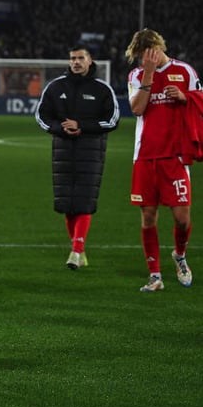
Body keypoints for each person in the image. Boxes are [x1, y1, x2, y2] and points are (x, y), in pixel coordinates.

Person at [125, 28, 199, 292]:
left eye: (146, 54)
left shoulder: (186, 72)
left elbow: (201, 100)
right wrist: (147, 74)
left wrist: (184, 97)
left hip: (175, 157)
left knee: (182, 218)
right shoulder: (136, 74)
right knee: (148, 217)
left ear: (158, 48)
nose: (143, 59)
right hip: (145, 157)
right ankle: (155, 275)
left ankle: (179, 255)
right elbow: (137, 109)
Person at [35, 44, 120, 269]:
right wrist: (60, 128)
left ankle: (76, 251)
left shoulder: (102, 89)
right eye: (72, 58)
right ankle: (78, 251)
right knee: (67, 204)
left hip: (91, 151)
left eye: (81, 58)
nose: (76, 62)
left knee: (84, 201)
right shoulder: (55, 87)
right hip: (62, 151)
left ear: (90, 60)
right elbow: (41, 116)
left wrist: (82, 126)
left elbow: (112, 120)